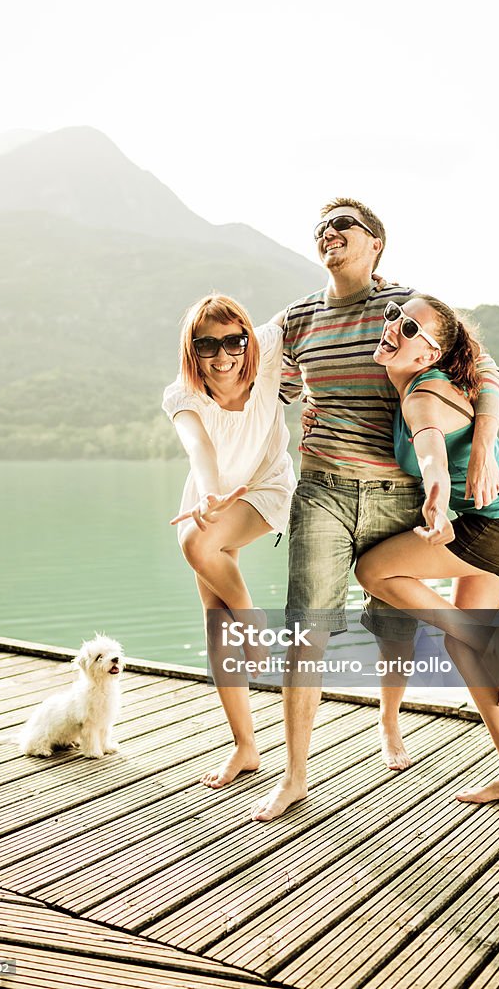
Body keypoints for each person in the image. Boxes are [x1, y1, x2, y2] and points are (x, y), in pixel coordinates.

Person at [250, 198, 499, 822]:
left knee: (395, 624)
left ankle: (390, 728)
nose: (330, 233)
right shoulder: (297, 319)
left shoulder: (407, 311)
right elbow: (268, 395)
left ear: (376, 245)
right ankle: (293, 778)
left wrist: (482, 450)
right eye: (323, 227)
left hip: (399, 492)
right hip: (324, 491)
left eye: (346, 226)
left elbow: (486, 370)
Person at [354, 294, 499, 804]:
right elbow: (488, 367)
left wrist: (436, 501)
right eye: (396, 316)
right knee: (468, 646)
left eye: (411, 329)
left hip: (498, 524)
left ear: (429, 355)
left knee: (373, 571)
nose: (395, 327)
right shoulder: (450, 372)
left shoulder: (422, 396)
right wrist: (480, 444)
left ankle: (481, 638)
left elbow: (432, 452)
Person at [162, 293, 296, 788]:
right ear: (192, 349)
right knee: (215, 620)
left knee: (196, 546)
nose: (223, 356)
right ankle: (245, 745)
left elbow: (309, 306)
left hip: (266, 486)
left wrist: (371, 279)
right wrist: (212, 493)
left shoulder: (266, 348)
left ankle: (254, 623)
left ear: (246, 338)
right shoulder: (182, 395)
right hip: (212, 494)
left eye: (233, 342)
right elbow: (198, 446)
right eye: (207, 345)